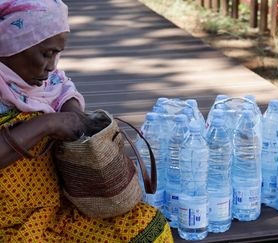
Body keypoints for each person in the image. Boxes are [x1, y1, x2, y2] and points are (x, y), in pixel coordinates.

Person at [0, 0, 173, 242]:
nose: (52, 65)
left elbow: (63, 90)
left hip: (55, 211)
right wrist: (47, 124)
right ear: (12, 44)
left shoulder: (45, 81)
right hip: (8, 223)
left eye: (58, 53)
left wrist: (73, 112)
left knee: (146, 227)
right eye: (46, 53)